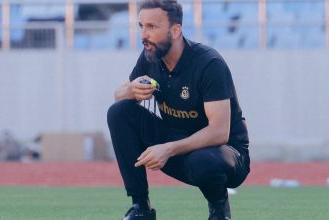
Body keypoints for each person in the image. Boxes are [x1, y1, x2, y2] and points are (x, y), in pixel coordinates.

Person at [107, 0, 250, 219]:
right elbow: (118, 96)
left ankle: (219, 210)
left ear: (175, 30)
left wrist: (168, 149)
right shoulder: (149, 57)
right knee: (119, 112)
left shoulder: (209, 64)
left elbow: (220, 132)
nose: (143, 35)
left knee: (203, 161)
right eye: (141, 26)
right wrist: (130, 90)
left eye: (152, 27)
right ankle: (141, 208)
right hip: (175, 142)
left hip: (225, 154)